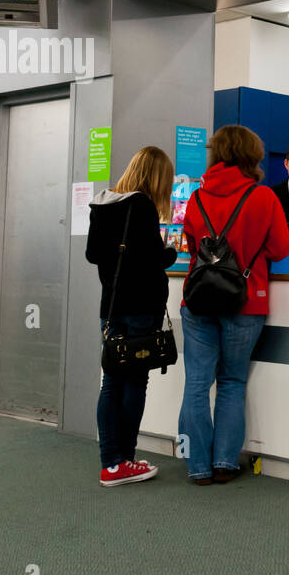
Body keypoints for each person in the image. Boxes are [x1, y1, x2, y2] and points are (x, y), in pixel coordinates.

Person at [179, 125, 289, 485]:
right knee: (231, 381)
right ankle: (225, 463)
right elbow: (280, 249)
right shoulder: (263, 198)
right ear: (252, 156)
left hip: (197, 301)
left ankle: (197, 466)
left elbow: (194, 247)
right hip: (245, 301)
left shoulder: (196, 198)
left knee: (196, 383)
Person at [86, 147, 177, 487]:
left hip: (110, 307)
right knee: (136, 383)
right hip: (142, 307)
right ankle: (126, 459)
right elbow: (154, 258)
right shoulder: (142, 206)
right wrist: (170, 252)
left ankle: (110, 462)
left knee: (110, 383)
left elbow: (92, 254)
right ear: (156, 177)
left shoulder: (102, 204)